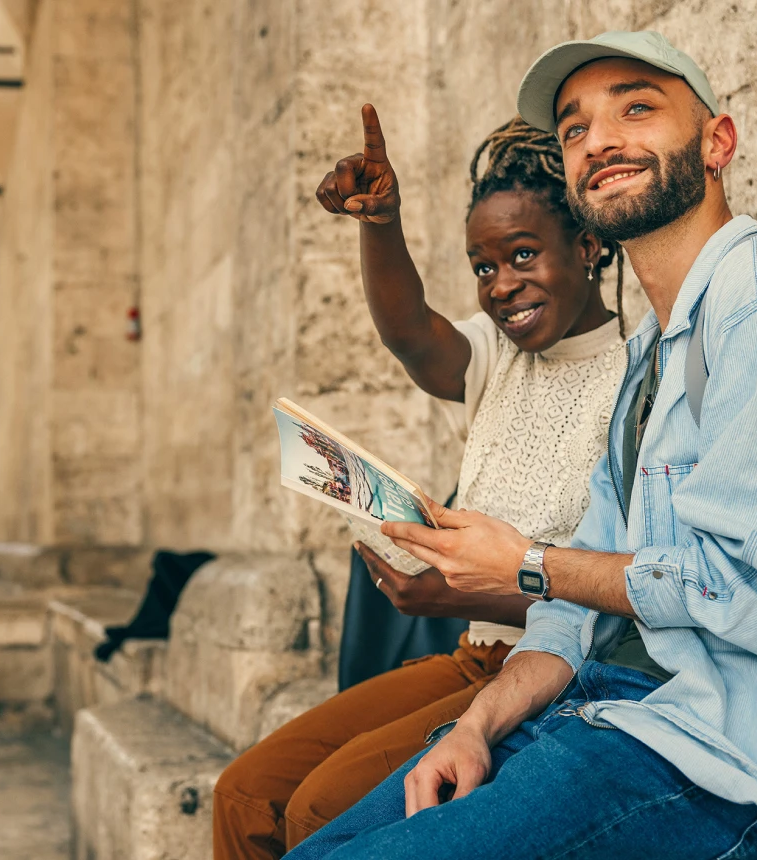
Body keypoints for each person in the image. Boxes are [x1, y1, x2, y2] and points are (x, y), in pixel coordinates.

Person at [286, 31, 757, 860]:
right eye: (575, 128)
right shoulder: (650, 357)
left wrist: (527, 562)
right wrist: (476, 725)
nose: (599, 139)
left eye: (636, 108)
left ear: (717, 142)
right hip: (621, 712)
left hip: (752, 764)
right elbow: (572, 606)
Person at [213, 109, 629, 859]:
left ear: (588, 245)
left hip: (553, 674)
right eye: (482, 267)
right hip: (469, 653)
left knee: (319, 812)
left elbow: (615, 599)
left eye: (524, 254)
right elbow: (409, 333)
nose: (503, 286)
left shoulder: (634, 380)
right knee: (243, 793)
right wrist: (382, 223)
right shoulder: (498, 355)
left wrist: (462, 590)